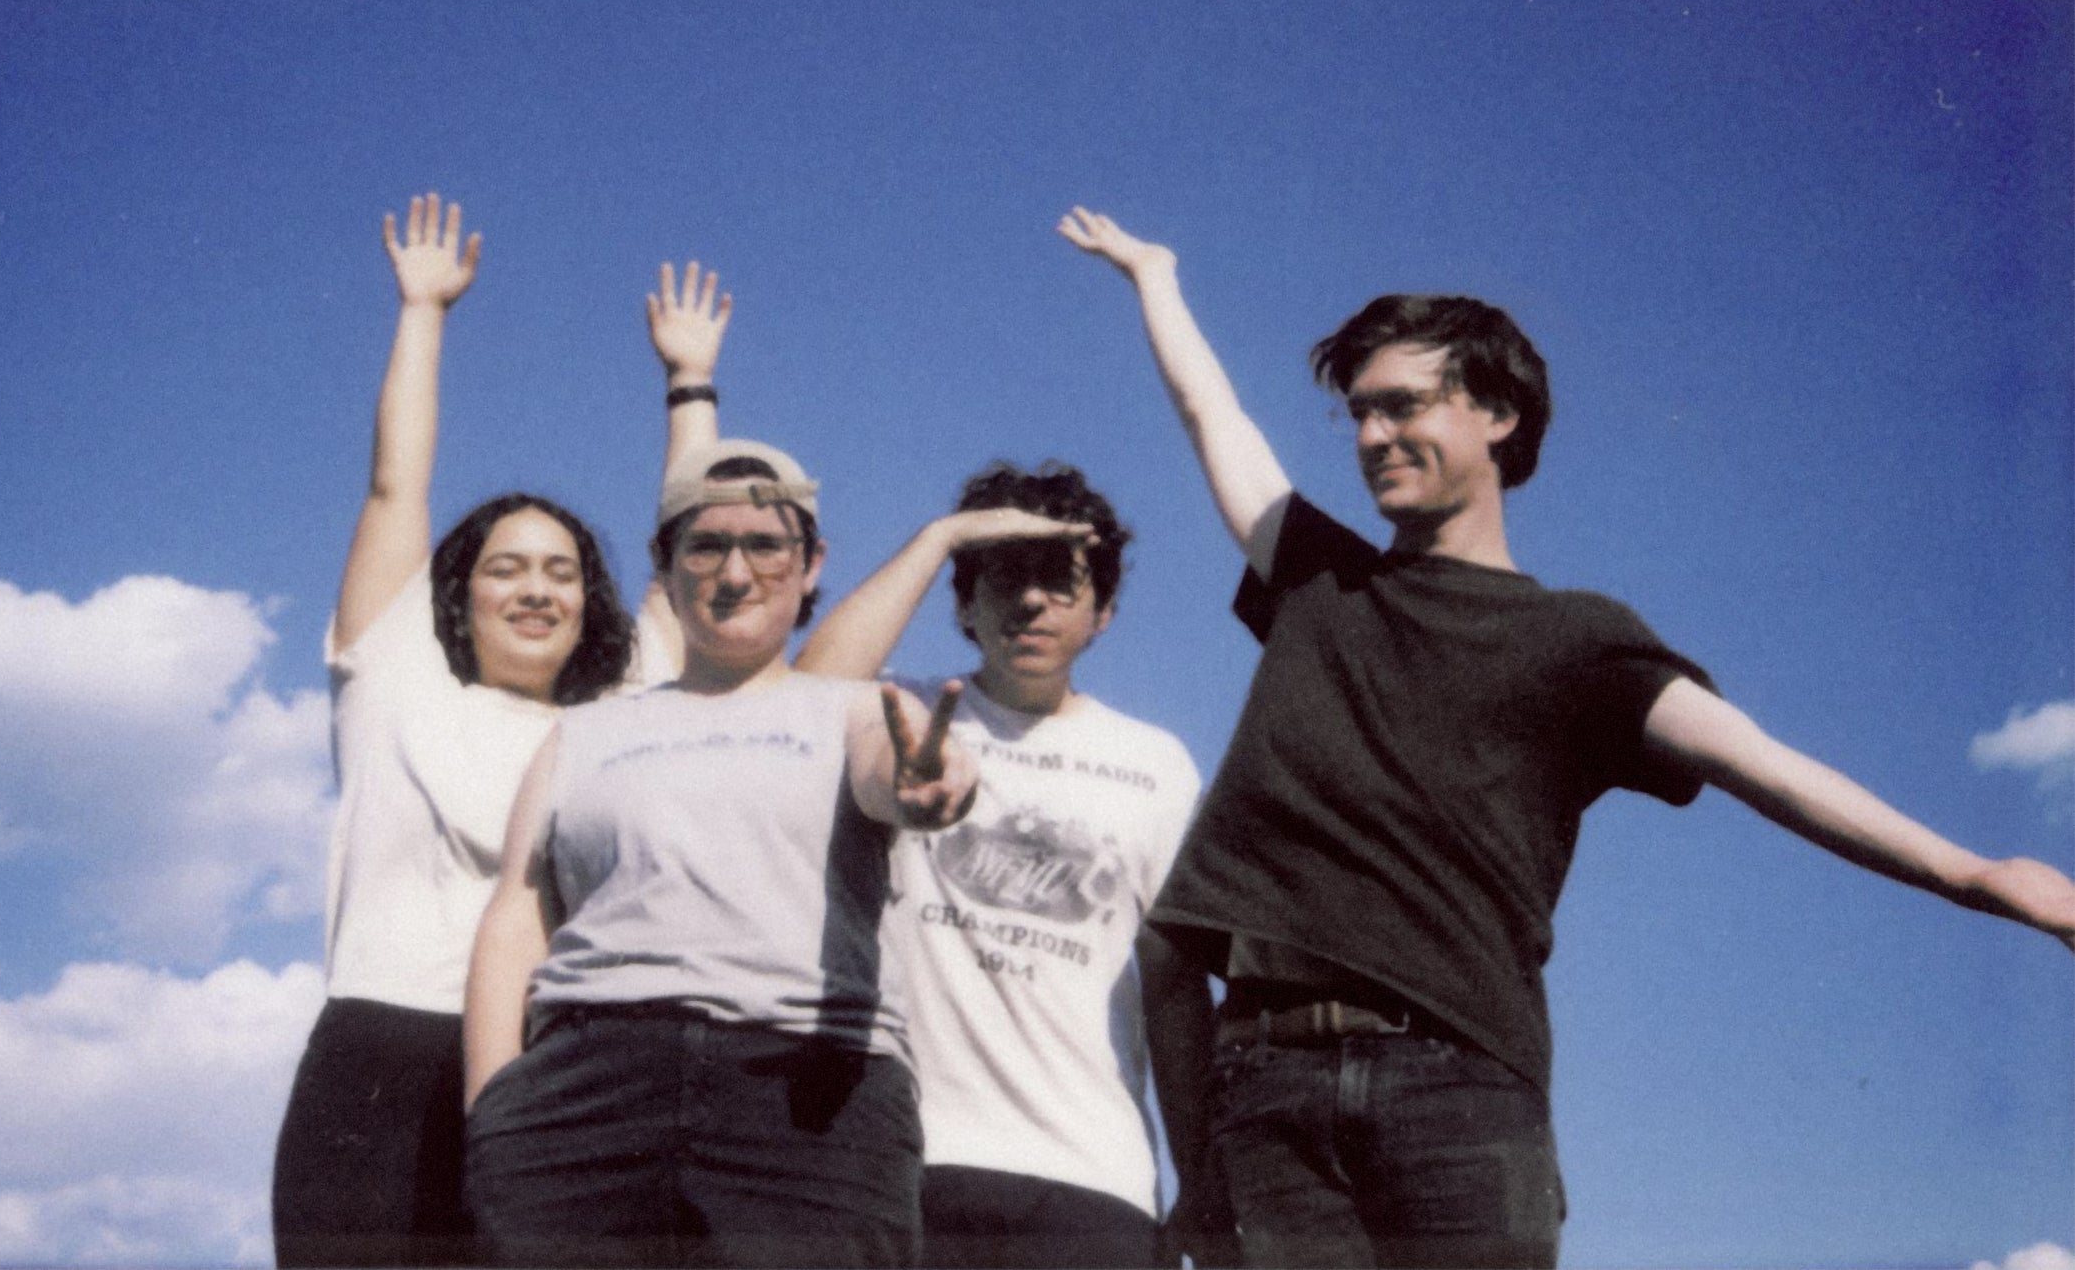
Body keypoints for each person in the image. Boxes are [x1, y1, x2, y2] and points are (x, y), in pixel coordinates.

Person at [1057, 206, 2075, 1269]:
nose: (1370, 437)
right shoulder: (1317, 580)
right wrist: (1154, 277)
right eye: (1357, 414)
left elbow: (1761, 765)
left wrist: (1975, 874)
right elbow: (1210, 414)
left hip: (1457, 1089)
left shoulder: (1576, 639)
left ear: (1496, 412)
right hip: (1266, 1093)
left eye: (1402, 405)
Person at [269, 194, 733, 1267]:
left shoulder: (622, 719)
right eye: (506, 568)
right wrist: (422, 311)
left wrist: (690, 383)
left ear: (589, 600)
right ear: (460, 592)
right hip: (381, 1055)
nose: (536, 589)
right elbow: (395, 487)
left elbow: (697, 543)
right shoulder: (395, 679)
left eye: (562, 571)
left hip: (555, 1070)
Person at [462, 437, 981, 1269]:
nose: (736, 572)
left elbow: (896, 767)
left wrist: (928, 780)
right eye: (706, 545)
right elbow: (515, 917)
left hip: (809, 1095)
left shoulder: (854, 710)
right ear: (665, 566)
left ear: (811, 564)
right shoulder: (582, 733)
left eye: (766, 545)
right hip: (583, 1100)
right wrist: (492, 1113)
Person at [795, 461, 1202, 1268]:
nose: (1031, 600)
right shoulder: (901, 714)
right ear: (964, 603)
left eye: (1061, 581)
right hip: (908, 1158)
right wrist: (942, 535)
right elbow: (799, 696)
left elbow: (1176, 988)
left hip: (1093, 1174)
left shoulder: (1157, 765)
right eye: (1006, 574)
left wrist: (1201, 1175)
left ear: (1104, 611)